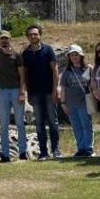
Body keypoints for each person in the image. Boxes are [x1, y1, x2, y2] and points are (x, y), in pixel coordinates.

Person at [22, 24, 61, 159]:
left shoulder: (48, 50)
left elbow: (55, 69)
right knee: (39, 124)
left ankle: (56, 150)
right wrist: (26, 91)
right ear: (27, 37)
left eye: (35, 34)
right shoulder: (25, 53)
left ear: (40, 35)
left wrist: (57, 88)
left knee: (53, 122)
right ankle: (43, 152)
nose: (33, 36)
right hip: (34, 93)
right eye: (30, 34)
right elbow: (25, 74)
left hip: (50, 92)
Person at [0, 31, 27, 162]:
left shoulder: (17, 55)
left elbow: (22, 75)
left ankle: (23, 152)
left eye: (6, 39)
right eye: (2, 39)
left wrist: (22, 92)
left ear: (10, 40)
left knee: (19, 122)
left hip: (16, 90)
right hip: (2, 91)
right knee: (4, 124)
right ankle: (5, 154)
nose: (4, 41)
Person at [59, 45, 94, 157]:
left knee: (86, 125)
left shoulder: (88, 69)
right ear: (69, 57)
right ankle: (81, 148)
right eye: (72, 55)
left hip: (85, 102)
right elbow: (63, 88)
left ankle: (88, 148)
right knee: (76, 127)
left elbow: (93, 84)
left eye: (76, 54)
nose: (74, 57)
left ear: (81, 55)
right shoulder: (67, 72)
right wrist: (63, 103)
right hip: (71, 103)